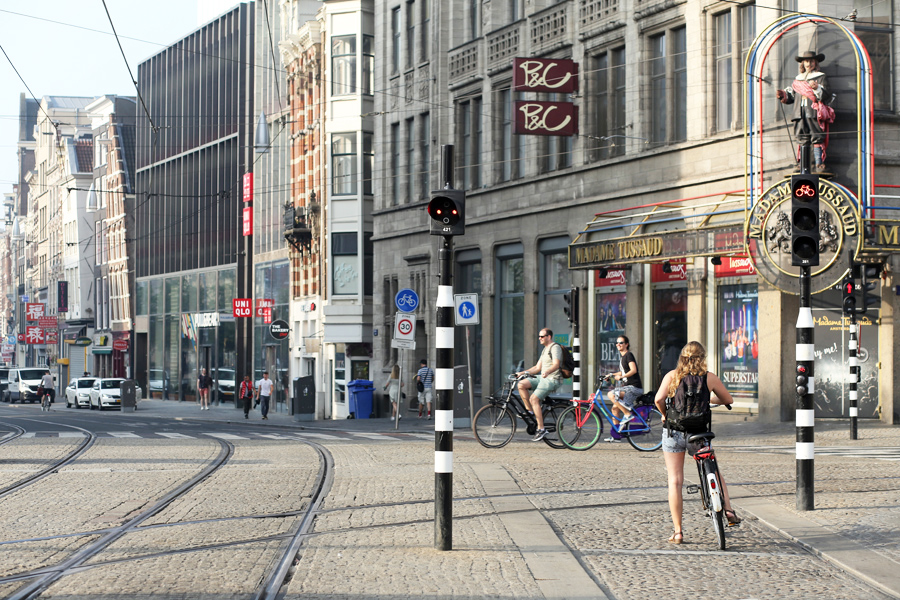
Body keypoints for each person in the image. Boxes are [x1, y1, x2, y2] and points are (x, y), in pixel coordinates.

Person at [654, 341, 741, 544]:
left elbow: (658, 399)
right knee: (715, 472)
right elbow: (728, 400)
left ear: (682, 357)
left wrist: (665, 415)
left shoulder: (672, 376)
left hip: (674, 432)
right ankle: (728, 510)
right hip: (699, 434)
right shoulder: (709, 378)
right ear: (702, 358)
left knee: (675, 481)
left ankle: (678, 532)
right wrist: (708, 400)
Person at [775, 50, 834, 174]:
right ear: (802, 63)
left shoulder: (820, 77)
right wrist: (783, 95)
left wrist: (817, 88)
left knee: (817, 136)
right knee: (801, 137)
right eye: (806, 61)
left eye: (811, 61)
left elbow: (827, 95)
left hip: (813, 112)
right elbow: (792, 96)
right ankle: (801, 165)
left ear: (815, 62)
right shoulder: (798, 80)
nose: (809, 63)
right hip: (799, 113)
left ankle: (819, 163)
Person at [515, 327, 563, 442]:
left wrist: (547, 371)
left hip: (552, 379)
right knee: (521, 384)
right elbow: (537, 368)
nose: (539, 338)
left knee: (534, 398)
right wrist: (522, 373)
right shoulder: (545, 349)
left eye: (542, 336)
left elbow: (556, 364)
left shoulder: (555, 347)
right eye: (539, 336)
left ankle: (541, 429)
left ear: (549, 337)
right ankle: (529, 411)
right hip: (543, 378)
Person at [606, 335, 643, 442]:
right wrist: (611, 374)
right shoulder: (623, 357)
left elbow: (633, 370)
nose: (618, 344)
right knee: (614, 409)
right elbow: (623, 371)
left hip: (634, 388)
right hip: (628, 387)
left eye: (621, 342)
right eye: (617, 343)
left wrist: (621, 377)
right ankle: (616, 436)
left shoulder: (628, 355)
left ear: (626, 344)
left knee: (611, 394)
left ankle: (627, 414)